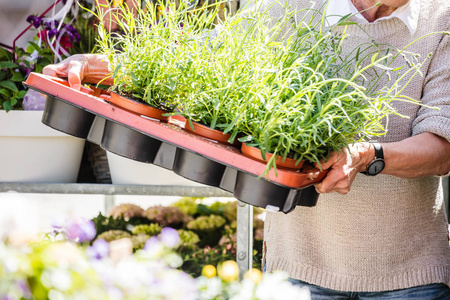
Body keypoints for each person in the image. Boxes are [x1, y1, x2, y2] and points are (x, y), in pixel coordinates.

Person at [43, 0, 450, 298]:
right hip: (299, 268)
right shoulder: (293, 8)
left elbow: (441, 145)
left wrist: (366, 155)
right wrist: (91, 66)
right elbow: (195, 56)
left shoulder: (441, 21)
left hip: (410, 276)